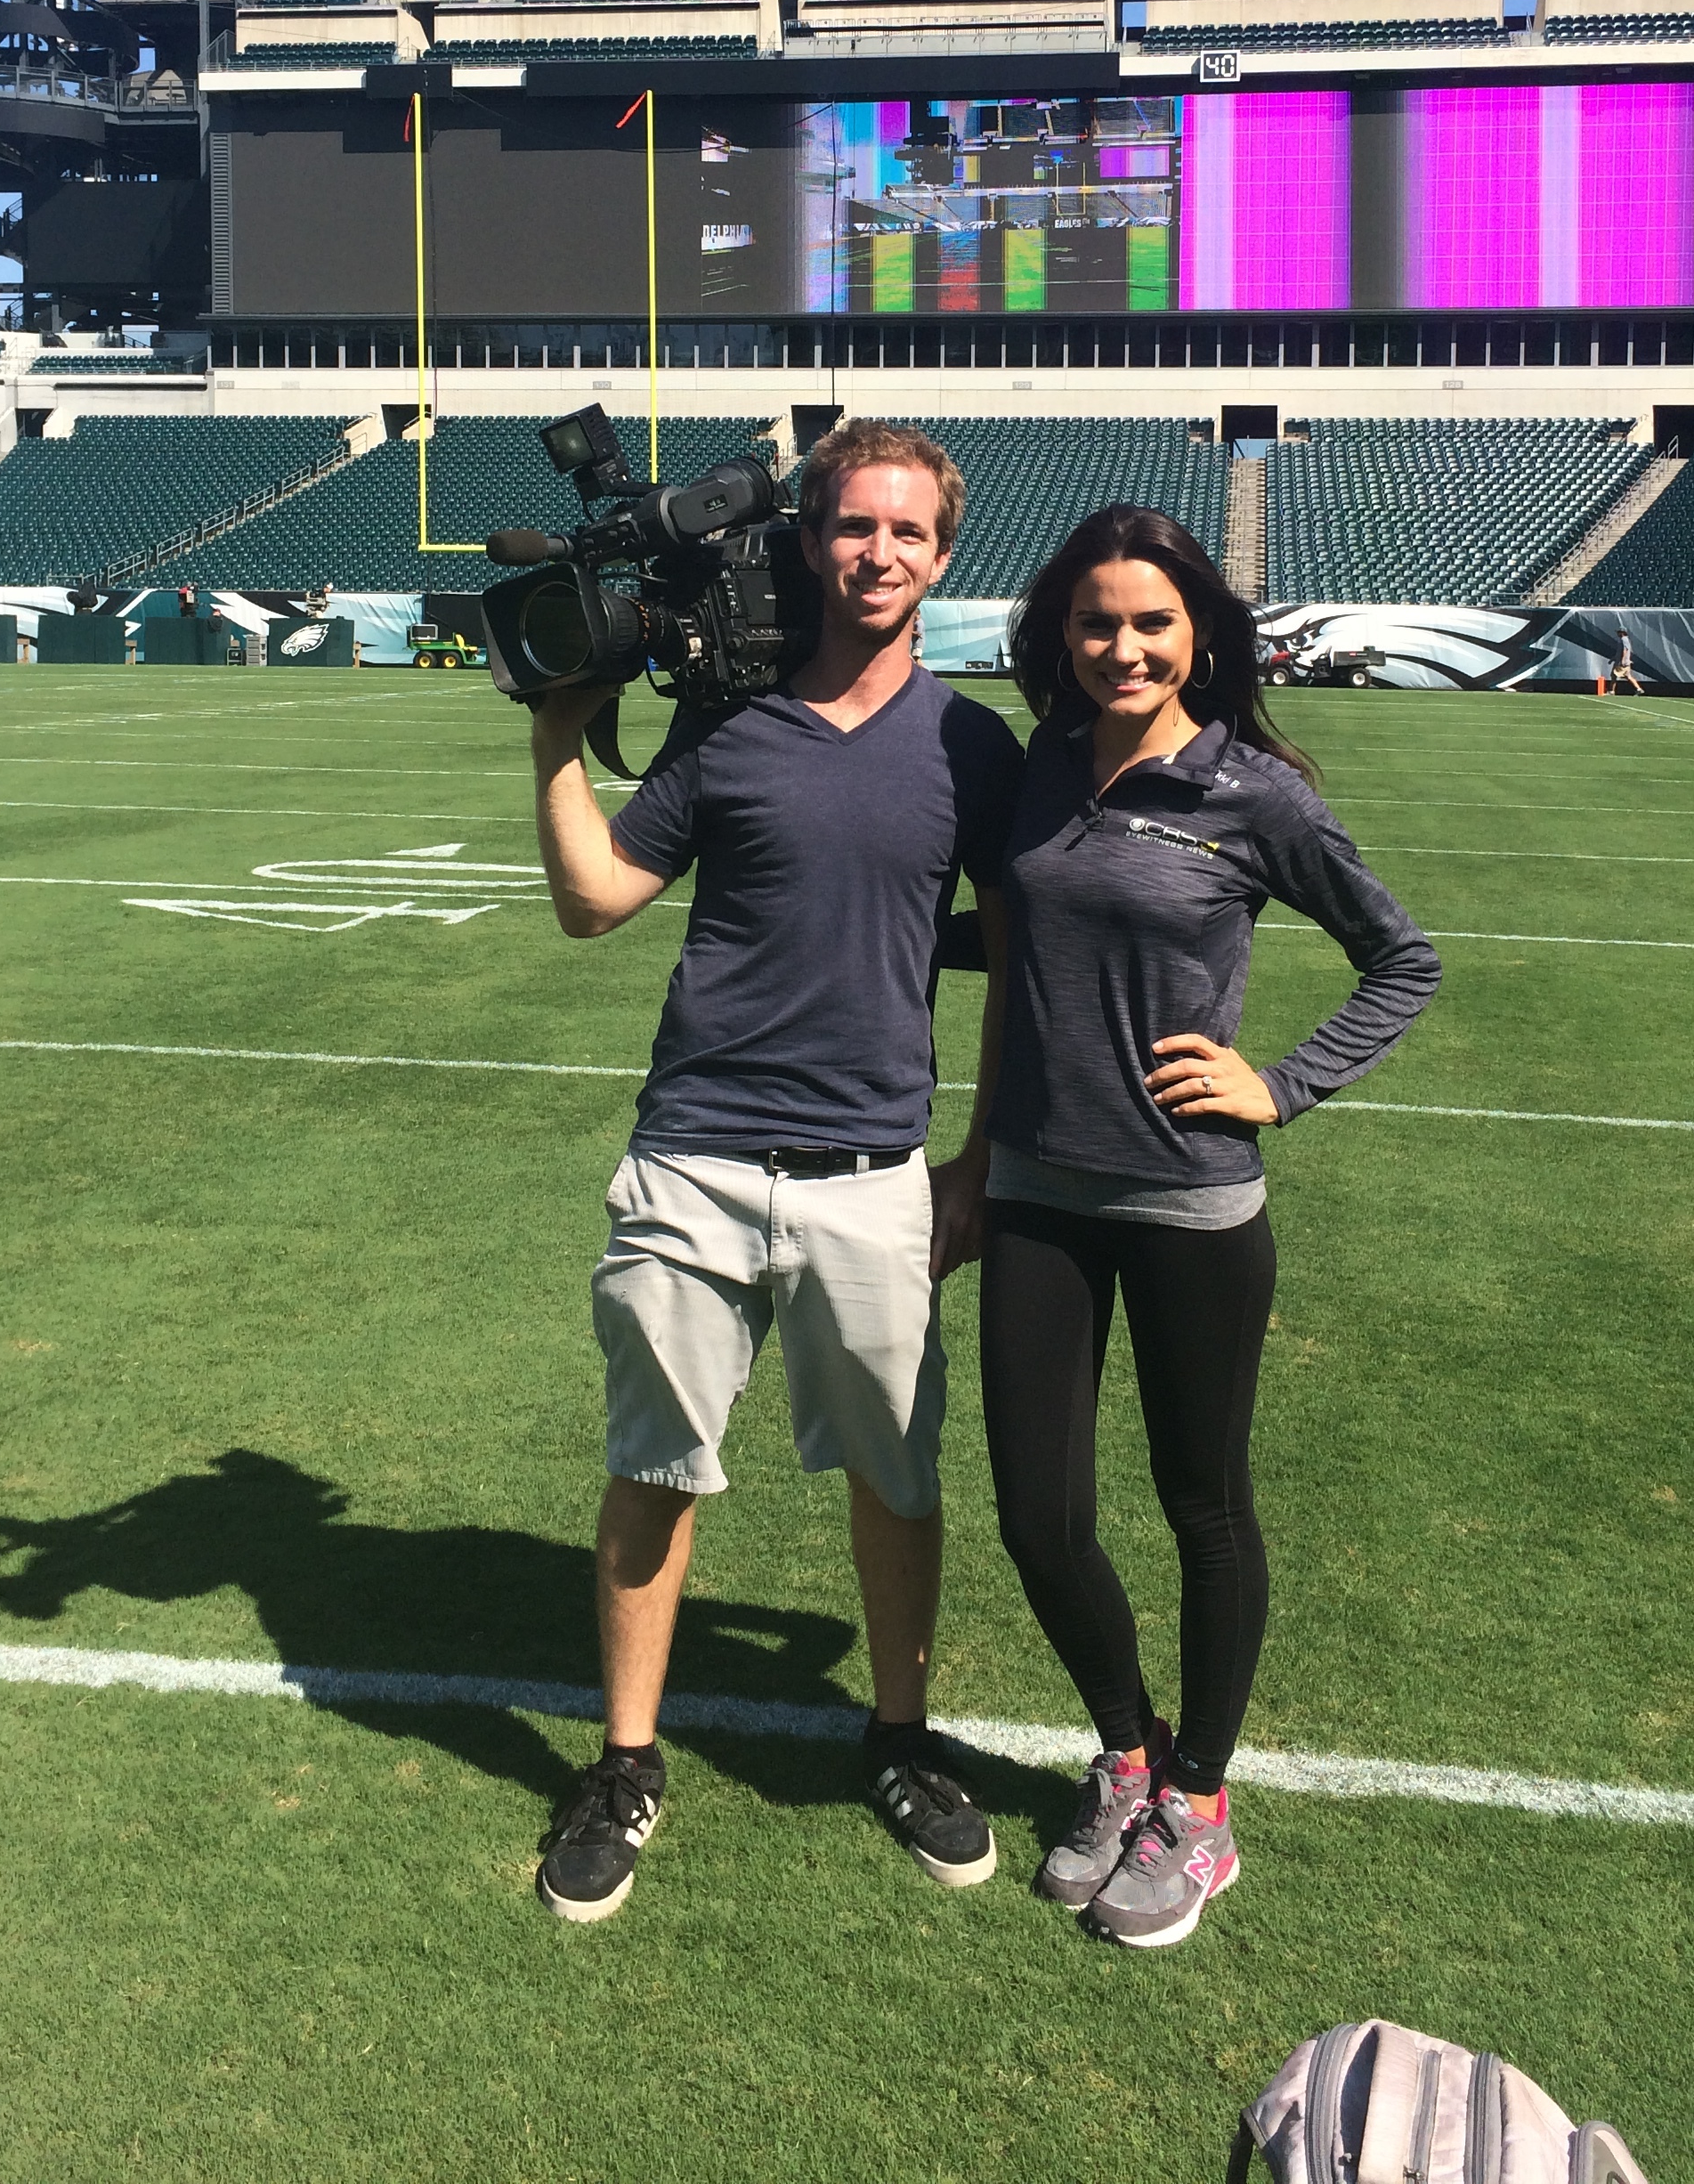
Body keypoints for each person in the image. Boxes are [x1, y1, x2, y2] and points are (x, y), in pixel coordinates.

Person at [529, 420, 1023, 1923]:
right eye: (852, 527)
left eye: (907, 534)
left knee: (895, 1474)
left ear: (943, 557)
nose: (877, 554)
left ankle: (899, 1735)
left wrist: (977, 1165)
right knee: (653, 1469)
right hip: (694, 1154)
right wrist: (556, 730)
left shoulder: (968, 744)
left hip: (877, 1168)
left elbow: (1019, 964)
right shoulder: (726, 724)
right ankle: (625, 1760)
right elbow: (598, 899)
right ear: (812, 541)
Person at [981, 507, 1439, 1949]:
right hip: (1036, 1197)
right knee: (1037, 1518)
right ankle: (1124, 1757)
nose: (1123, 646)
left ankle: (1201, 1802)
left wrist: (1280, 1084)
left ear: (1200, 637)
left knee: (1203, 1507)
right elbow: (997, 941)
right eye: (1098, 620)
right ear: (1061, 630)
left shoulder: (1255, 794)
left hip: (1193, 1203)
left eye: (1153, 623)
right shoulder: (1034, 771)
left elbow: (1401, 959)